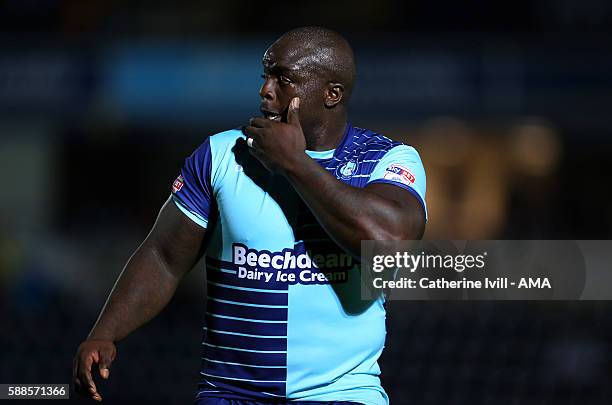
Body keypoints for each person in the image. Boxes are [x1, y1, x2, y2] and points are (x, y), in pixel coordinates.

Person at [73, 26, 427, 405]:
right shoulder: (222, 155)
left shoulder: (387, 160)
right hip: (230, 395)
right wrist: (105, 332)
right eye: (266, 75)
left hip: (342, 394)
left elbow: (391, 244)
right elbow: (163, 256)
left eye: (284, 78)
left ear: (331, 94)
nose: (266, 90)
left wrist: (295, 164)